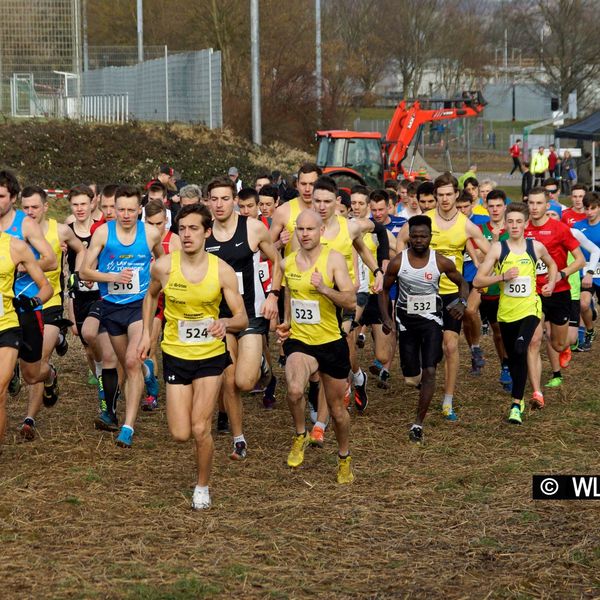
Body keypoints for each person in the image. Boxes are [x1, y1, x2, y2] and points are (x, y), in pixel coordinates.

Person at [139, 204, 247, 510]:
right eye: (182, 229)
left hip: (211, 355)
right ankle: (200, 472)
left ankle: (202, 486)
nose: (186, 235)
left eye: (194, 229)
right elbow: (150, 296)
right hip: (175, 353)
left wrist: (225, 323)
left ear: (207, 232)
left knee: (201, 428)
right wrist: (147, 334)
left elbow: (241, 317)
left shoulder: (222, 271)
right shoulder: (163, 266)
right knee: (179, 433)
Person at [395, 172, 491, 421]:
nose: (445, 199)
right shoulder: (424, 220)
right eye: (440, 195)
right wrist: (402, 270)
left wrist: (481, 281)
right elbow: (400, 240)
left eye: (449, 194)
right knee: (428, 350)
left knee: (450, 346)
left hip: (451, 294)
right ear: (435, 196)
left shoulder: (466, 225)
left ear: (456, 194)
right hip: (422, 293)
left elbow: (491, 253)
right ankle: (423, 377)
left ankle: (448, 399)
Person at [80, 185, 164, 446]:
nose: (126, 215)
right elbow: (84, 271)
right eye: (121, 210)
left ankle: (127, 427)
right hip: (111, 306)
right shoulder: (104, 233)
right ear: (113, 209)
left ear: (139, 209)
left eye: (131, 210)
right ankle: (148, 374)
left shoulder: (150, 233)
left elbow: (164, 263)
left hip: (139, 306)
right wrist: (111, 277)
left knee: (129, 362)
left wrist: (159, 288)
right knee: (128, 364)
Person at [275, 209, 355, 484]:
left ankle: (344, 459)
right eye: (300, 229)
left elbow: (351, 301)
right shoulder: (287, 264)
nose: (305, 234)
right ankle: (300, 435)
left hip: (331, 343)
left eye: (310, 229)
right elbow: (289, 294)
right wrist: (286, 322)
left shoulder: (332, 260)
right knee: (295, 390)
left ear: (321, 231)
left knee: (337, 412)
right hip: (301, 341)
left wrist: (324, 289)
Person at [205, 176, 281, 460]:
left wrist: (273, 295)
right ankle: (239, 440)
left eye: (226, 198)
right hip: (219, 320)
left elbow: (278, 261)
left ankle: (261, 362)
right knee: (229, 381)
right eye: (215, 199)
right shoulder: (203, 233)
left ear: (234, 200)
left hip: (248, 315)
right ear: (208, 201)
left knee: (245, 382)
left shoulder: (252, 228)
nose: (220, 204)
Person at [379, 215, 467, 443]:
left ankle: (418, 423)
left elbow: (462, 283)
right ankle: (422, 384)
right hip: (407, 323)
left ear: (430, 237)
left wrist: (462, 302)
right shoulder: (399, 262)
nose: (418, 240)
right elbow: (383, 291)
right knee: (410, 377)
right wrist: (386, 318)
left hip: (432, 322)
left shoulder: (441, 261)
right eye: (414, 236)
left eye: (423, 236)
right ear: (409, 237)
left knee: (430, 371)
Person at [474, 202, 556, 424]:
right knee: (515, 359)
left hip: (530, 309)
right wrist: (501, 277)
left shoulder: (535, 247)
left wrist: (551, 283)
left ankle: (516, 403)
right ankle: (516, 404)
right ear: (506, 224)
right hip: (507, 314)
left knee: (523, 345)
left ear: (526, 223)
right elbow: (477, 280)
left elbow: (552, 264)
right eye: (510, 221)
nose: (514, 225)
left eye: (519, 221)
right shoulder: (498, 249)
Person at [18, 186, 86, 439]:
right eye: (25, 207)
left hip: (50, 304)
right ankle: (51, 375)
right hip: (20, 303)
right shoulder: (15, 232)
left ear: (46, 207)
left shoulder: (60, 230)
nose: (30, 212)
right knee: (29, 371)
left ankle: (29, 419)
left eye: (35, 207)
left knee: (36, 365)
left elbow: (81, 249)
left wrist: (78, 275)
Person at [0, 171, 58, 402]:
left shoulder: (24, 225)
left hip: (25, 303)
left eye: (2, 196)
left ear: (13, 198)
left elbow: (51, 261)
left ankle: (50, 373)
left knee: (32, 375)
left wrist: (21, 265)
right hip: (3, 309)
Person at [524, 188, 585, 408]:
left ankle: (564, 346)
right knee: (533, 340)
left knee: (558, 344)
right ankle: (537, 392)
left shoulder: (560, 229)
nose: (534, 207)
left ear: (547, 205)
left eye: (539, 203)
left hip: (559, 291)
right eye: (531, 203)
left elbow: (580, 260)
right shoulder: (522, 230)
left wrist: (560, 274)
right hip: (533, 293)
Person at [0, 227, 53, 447]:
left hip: (7, 325)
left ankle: (49, 373)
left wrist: (34, 302)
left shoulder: (15, 246)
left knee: (2, 390)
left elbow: (46, 287)